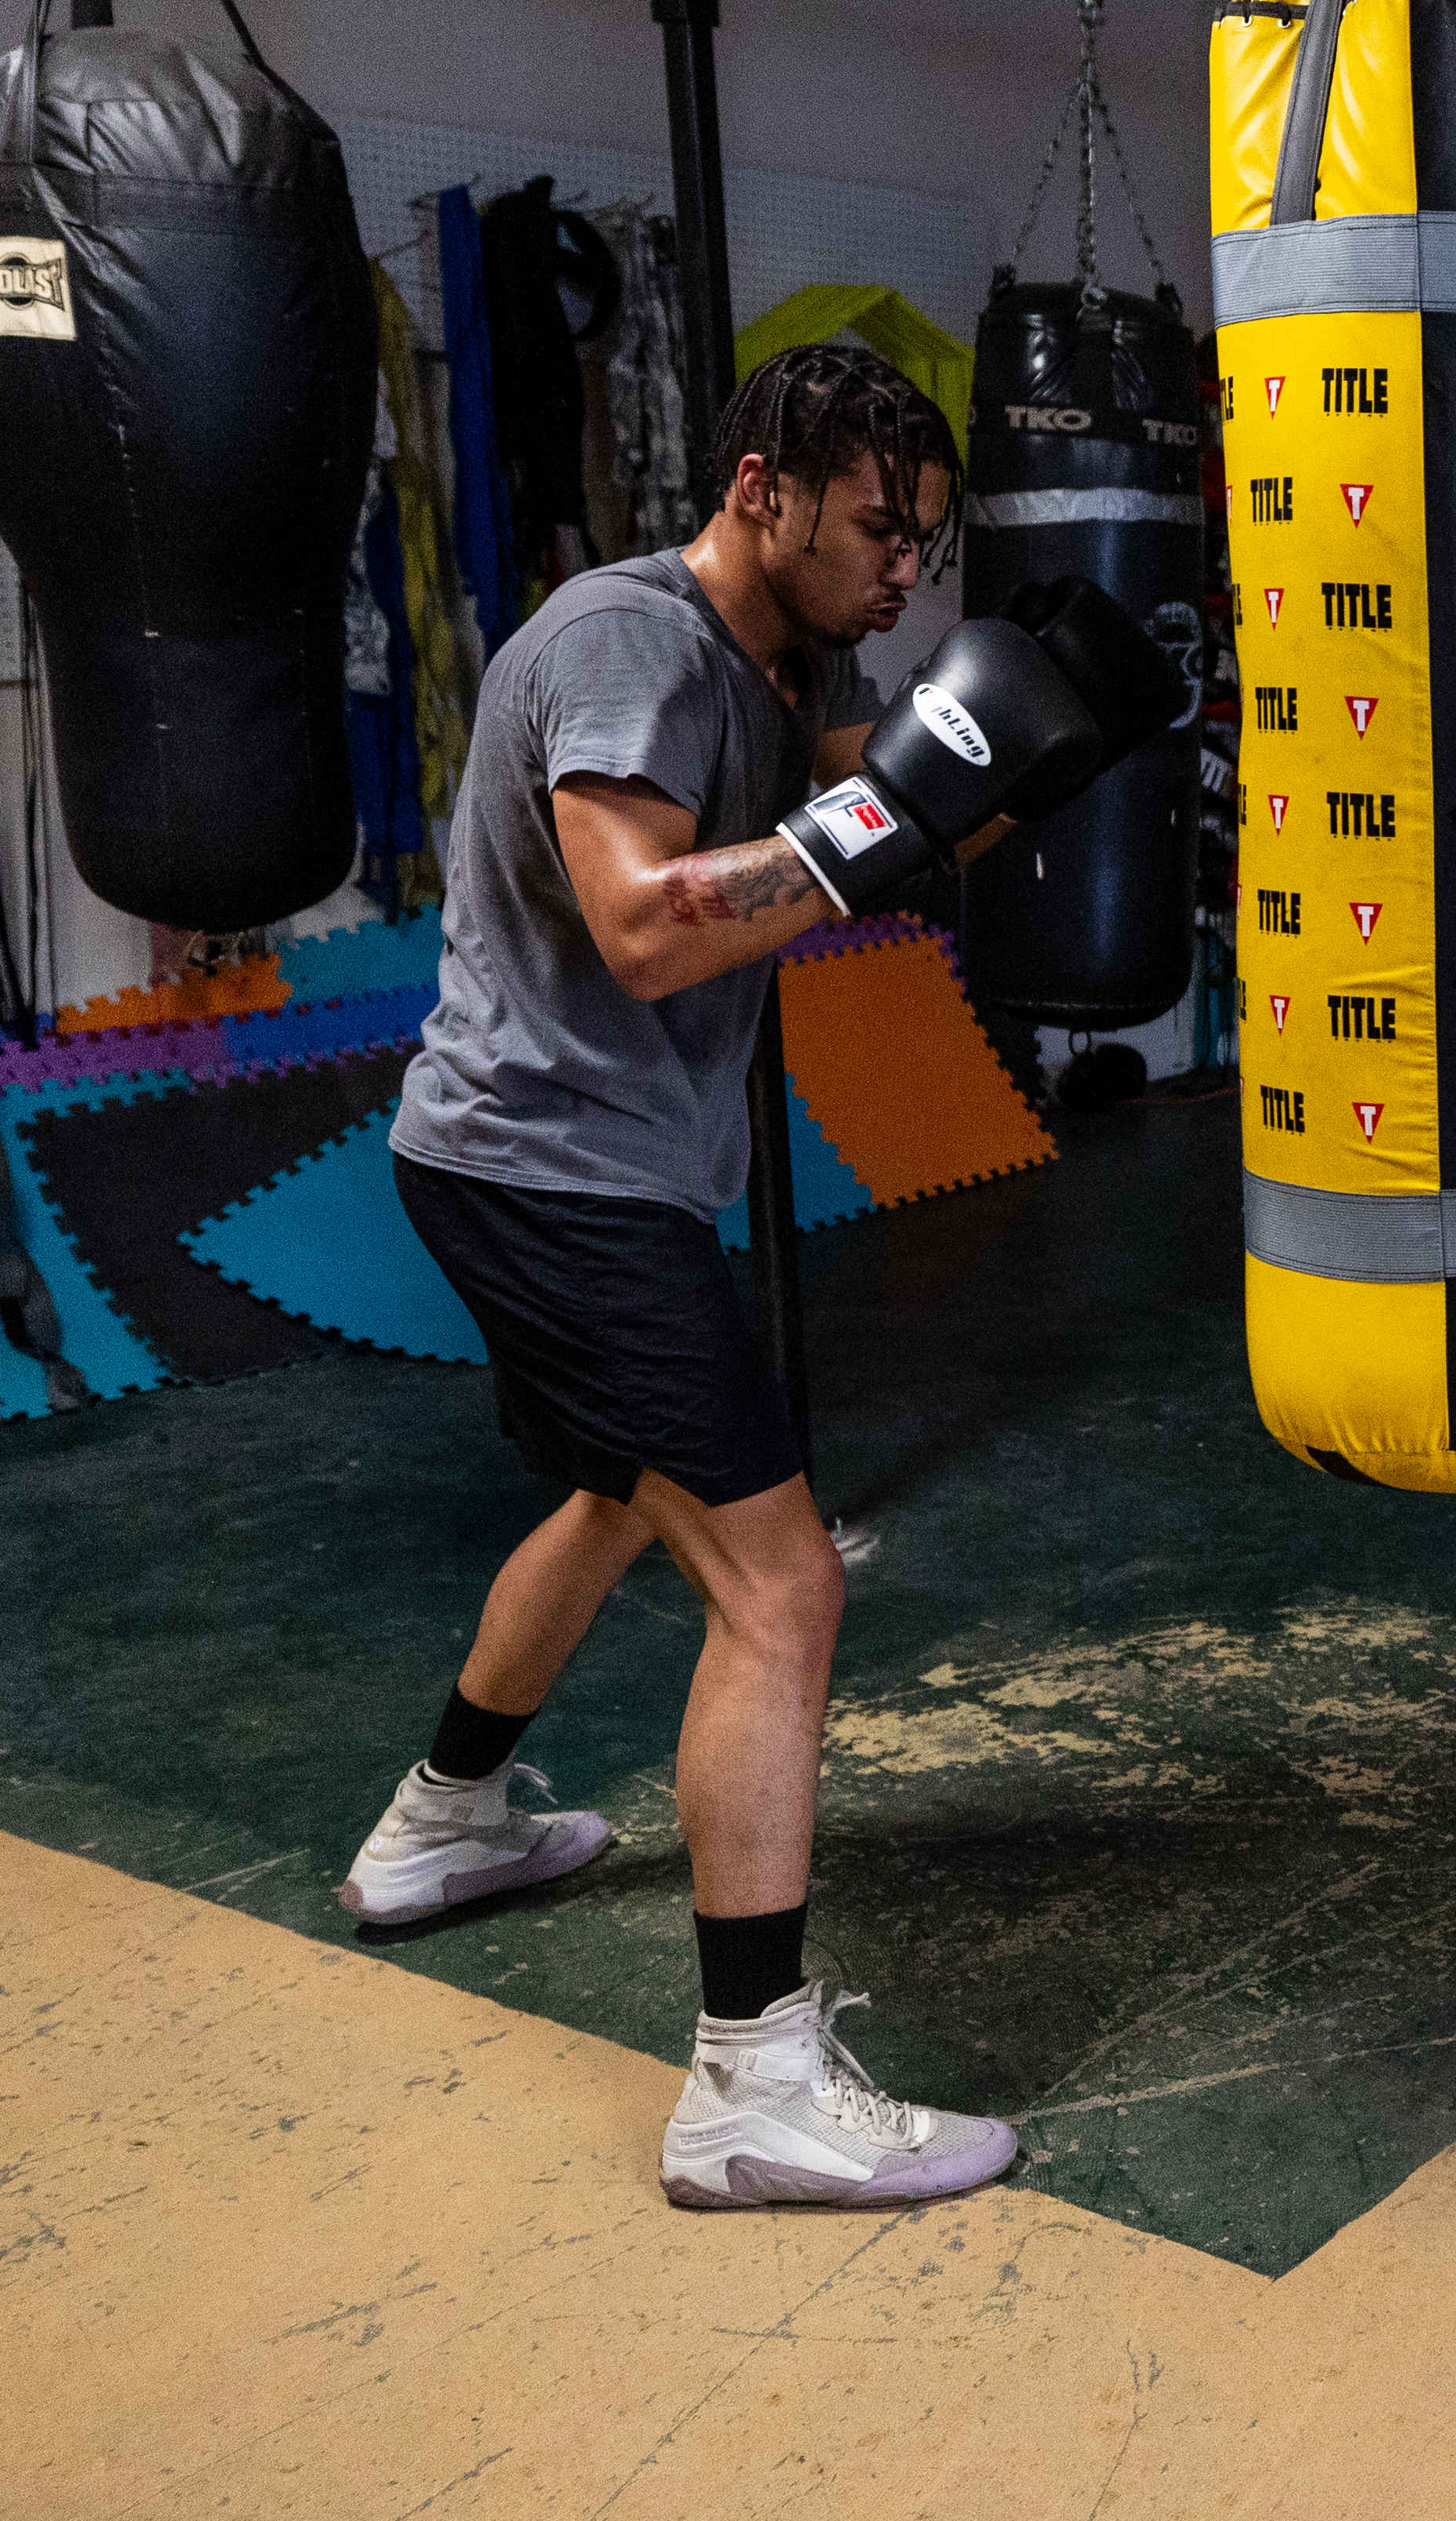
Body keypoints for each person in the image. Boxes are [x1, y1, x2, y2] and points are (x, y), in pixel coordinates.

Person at [334, 344, 1021, 2211]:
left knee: (621, 1496)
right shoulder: (630, 642)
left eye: (923, 541)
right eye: (876, 528)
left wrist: (1029, 752)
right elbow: (645, 926)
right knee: (783, 1586)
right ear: (759, 493)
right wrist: (878, 828)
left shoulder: (795, 664)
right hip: (546, 1178)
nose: (902, 569)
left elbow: (877, 803)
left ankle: (440, 1824)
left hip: (578, 1173)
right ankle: (751, 2085)